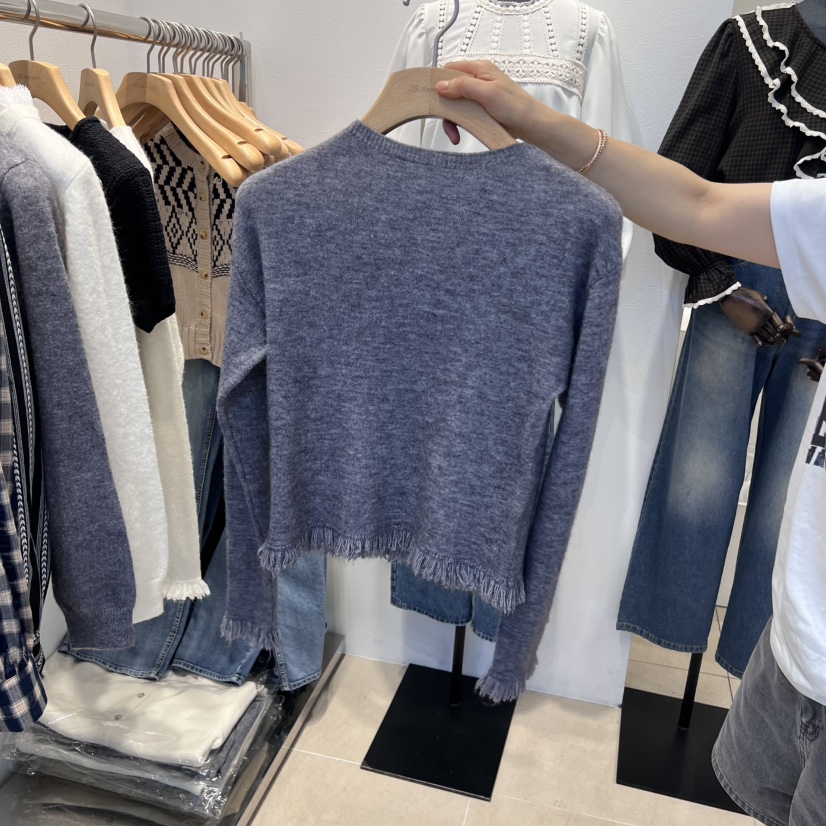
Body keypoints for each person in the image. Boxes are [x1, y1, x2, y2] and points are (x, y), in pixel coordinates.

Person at [435, 61, 826, 826]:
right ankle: (692, 622)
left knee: (731, 493)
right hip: (798, 642)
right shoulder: (753, 46)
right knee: (701, 490)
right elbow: (697, 202)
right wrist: (528, 115)